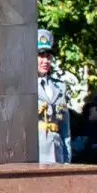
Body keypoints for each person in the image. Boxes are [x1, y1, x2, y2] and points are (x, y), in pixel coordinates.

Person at [36, 28, 71, 164]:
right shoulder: (25, 87)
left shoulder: (59, 87)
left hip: (57, 152)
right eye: (41, 55)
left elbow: (65, 129)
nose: (45, 61)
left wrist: (67, 160)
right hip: (36, 153)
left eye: (48, 56)